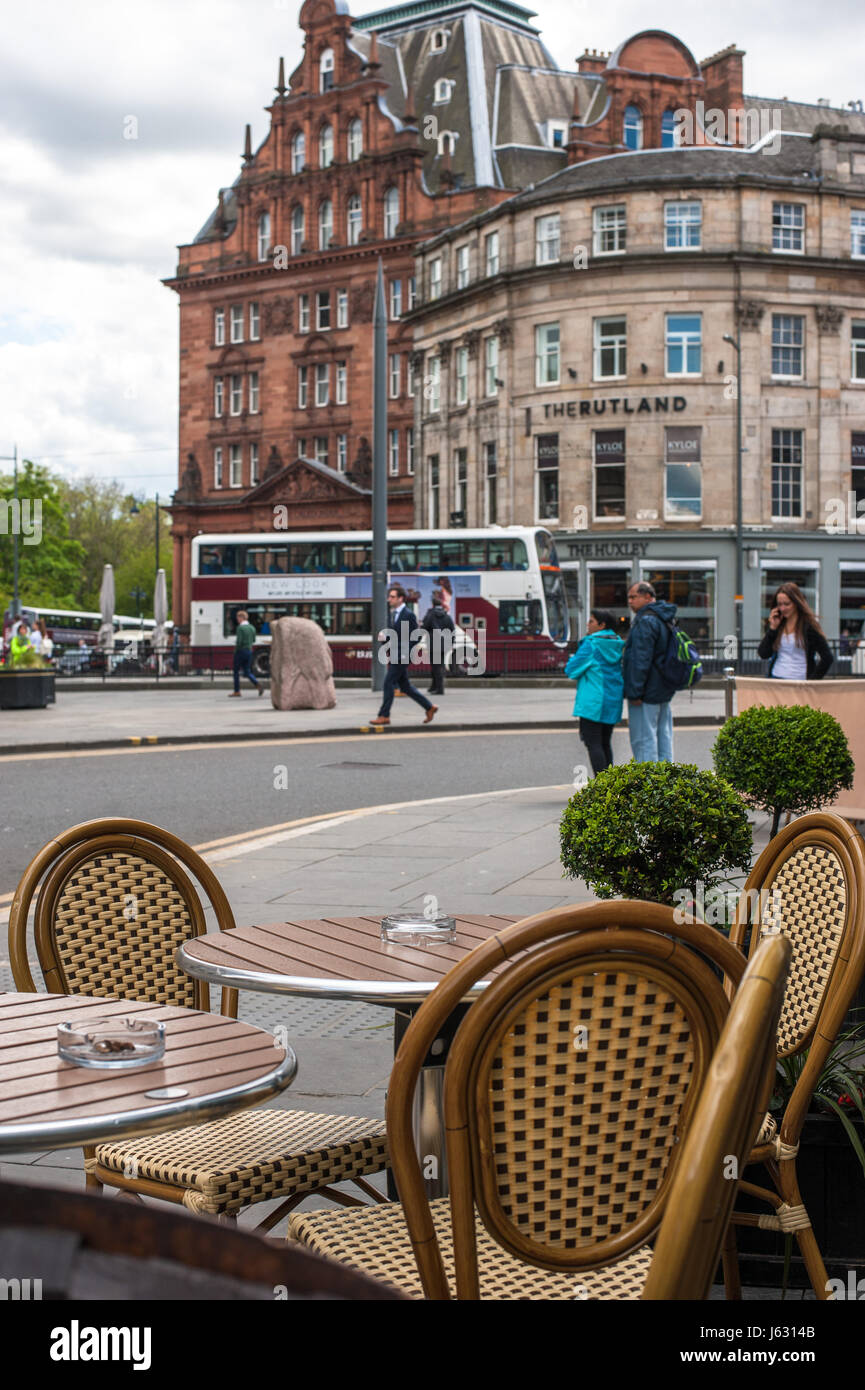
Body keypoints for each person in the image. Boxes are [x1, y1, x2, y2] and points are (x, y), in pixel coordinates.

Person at [565, 609, 625, 776]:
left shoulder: (591, 645)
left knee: (593, 743)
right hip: (612, 700)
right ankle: (610, 784)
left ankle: (601, 786)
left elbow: (571, 670)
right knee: (605, 742)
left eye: (591, 621)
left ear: (602, 625)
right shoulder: (617, 643)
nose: (588, 624)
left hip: (593, 702)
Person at [622, 581, 678, 763]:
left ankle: (648, 784)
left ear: (647, 597)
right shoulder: (665, 618)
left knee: (643, 740)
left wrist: (635, 691)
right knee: (664, 736)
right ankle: (667, 780)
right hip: (664, 687)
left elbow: (640, 659)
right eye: (629, 597)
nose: (630, 601)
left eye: (633, 597)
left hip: (646, 691)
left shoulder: (646, 621)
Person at [370, 585, 437, 727]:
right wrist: (385, 638)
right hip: (395, 654)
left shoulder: (408, 614)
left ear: (401, 598)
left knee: (388, 683)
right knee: (405, 687)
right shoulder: (393, 614)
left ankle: (384, 715)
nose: (389, 599)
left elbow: (416, 637)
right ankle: (429, 707)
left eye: (393, 597)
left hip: (402, 656)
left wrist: (405, 652)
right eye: (389, 596)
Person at [758, 582, 833, 680]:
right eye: (780, 604)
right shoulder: (778, 625)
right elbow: (763, 654)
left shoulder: (809, 627)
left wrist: (812, 682)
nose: (783, 608)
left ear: (796, 603)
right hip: (776, 679)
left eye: (787, 604)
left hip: (800, 682)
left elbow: (827, 658)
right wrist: (772, 629)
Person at [422, 588, 456, 696]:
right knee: (439, 665)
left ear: (432, 604)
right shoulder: (447, 616)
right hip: (444, 645)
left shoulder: (430, 615)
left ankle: (439, 688)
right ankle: (434, 687)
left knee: (435, 667)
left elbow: (425, 627)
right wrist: (451, 643)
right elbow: (452, 630)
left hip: (433, 644)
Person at [228, 609, 263, 697]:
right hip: (249, 651)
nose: (237, 619)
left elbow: (239, 642)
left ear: (242, 617)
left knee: (236, 671)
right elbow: (254, 640)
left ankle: (237, 691)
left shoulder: (240, 628)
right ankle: (257, 684)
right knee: (247, 671)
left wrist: (236, 650)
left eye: (238, 617)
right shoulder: (252, 627)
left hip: (240, 651)